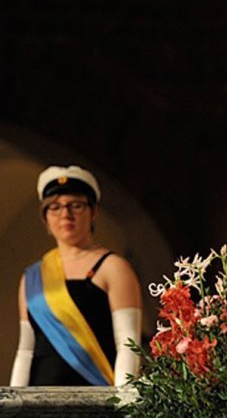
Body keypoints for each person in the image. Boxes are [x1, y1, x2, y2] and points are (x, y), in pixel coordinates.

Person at [10, 165, 142, 387]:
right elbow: (25, 350)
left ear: (93, 212)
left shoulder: (113, 267)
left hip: (96, 395)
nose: (65, 214)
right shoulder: (32, 277)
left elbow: (128, 343)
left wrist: (124, 401)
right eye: (55, 207)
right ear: (45, 219)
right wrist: (12, 405)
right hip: (39, 401)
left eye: (76, 205)